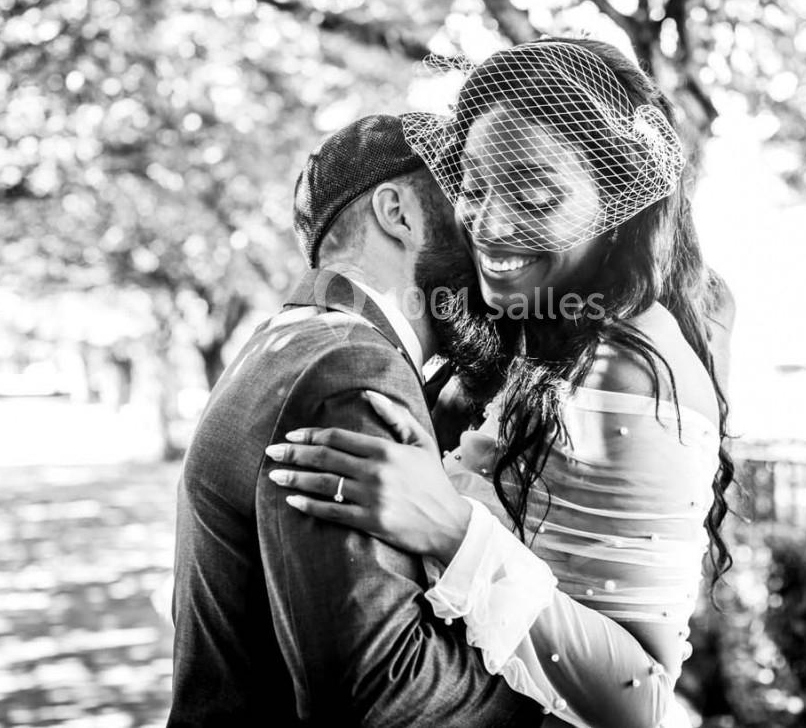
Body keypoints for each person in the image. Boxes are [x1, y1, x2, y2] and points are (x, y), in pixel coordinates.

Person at [266, 39, 733, 728]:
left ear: (619, 205)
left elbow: (642, 703)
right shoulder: (557, 346)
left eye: (535, 194)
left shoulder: (624, 372)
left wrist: (450, 531)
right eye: (476, 188)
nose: (489, 224)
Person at [168, 115, 541, 727]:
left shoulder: (285, 341)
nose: (490, 231)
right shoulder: (348, 365)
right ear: (398, 212)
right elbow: (384, 697)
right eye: (468, 195)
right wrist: (568, 690)